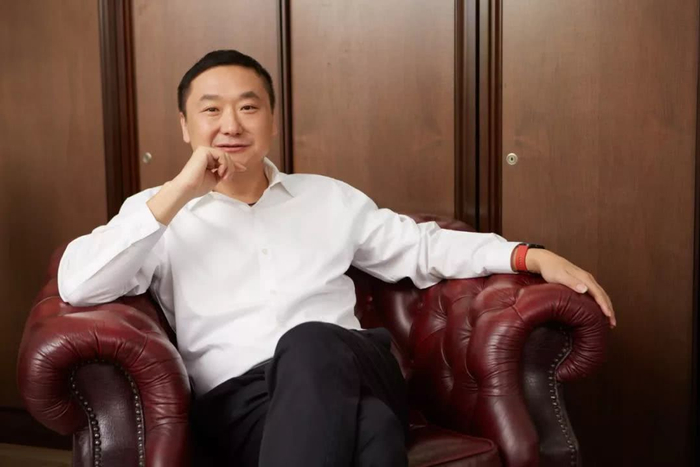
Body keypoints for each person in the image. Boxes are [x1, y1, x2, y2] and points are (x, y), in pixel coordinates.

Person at [57, 49, 615, 467]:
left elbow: (422, 247)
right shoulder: (157, 215)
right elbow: (79, 284)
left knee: (309, 342)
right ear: (185, 127)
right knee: (371, 429)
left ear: (272, 120)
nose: (231, 124)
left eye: (248, 107)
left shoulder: (328, 198)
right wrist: (179, 191)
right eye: (211, 111)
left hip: (354, 365)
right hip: (242, 403)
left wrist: (527, 256)